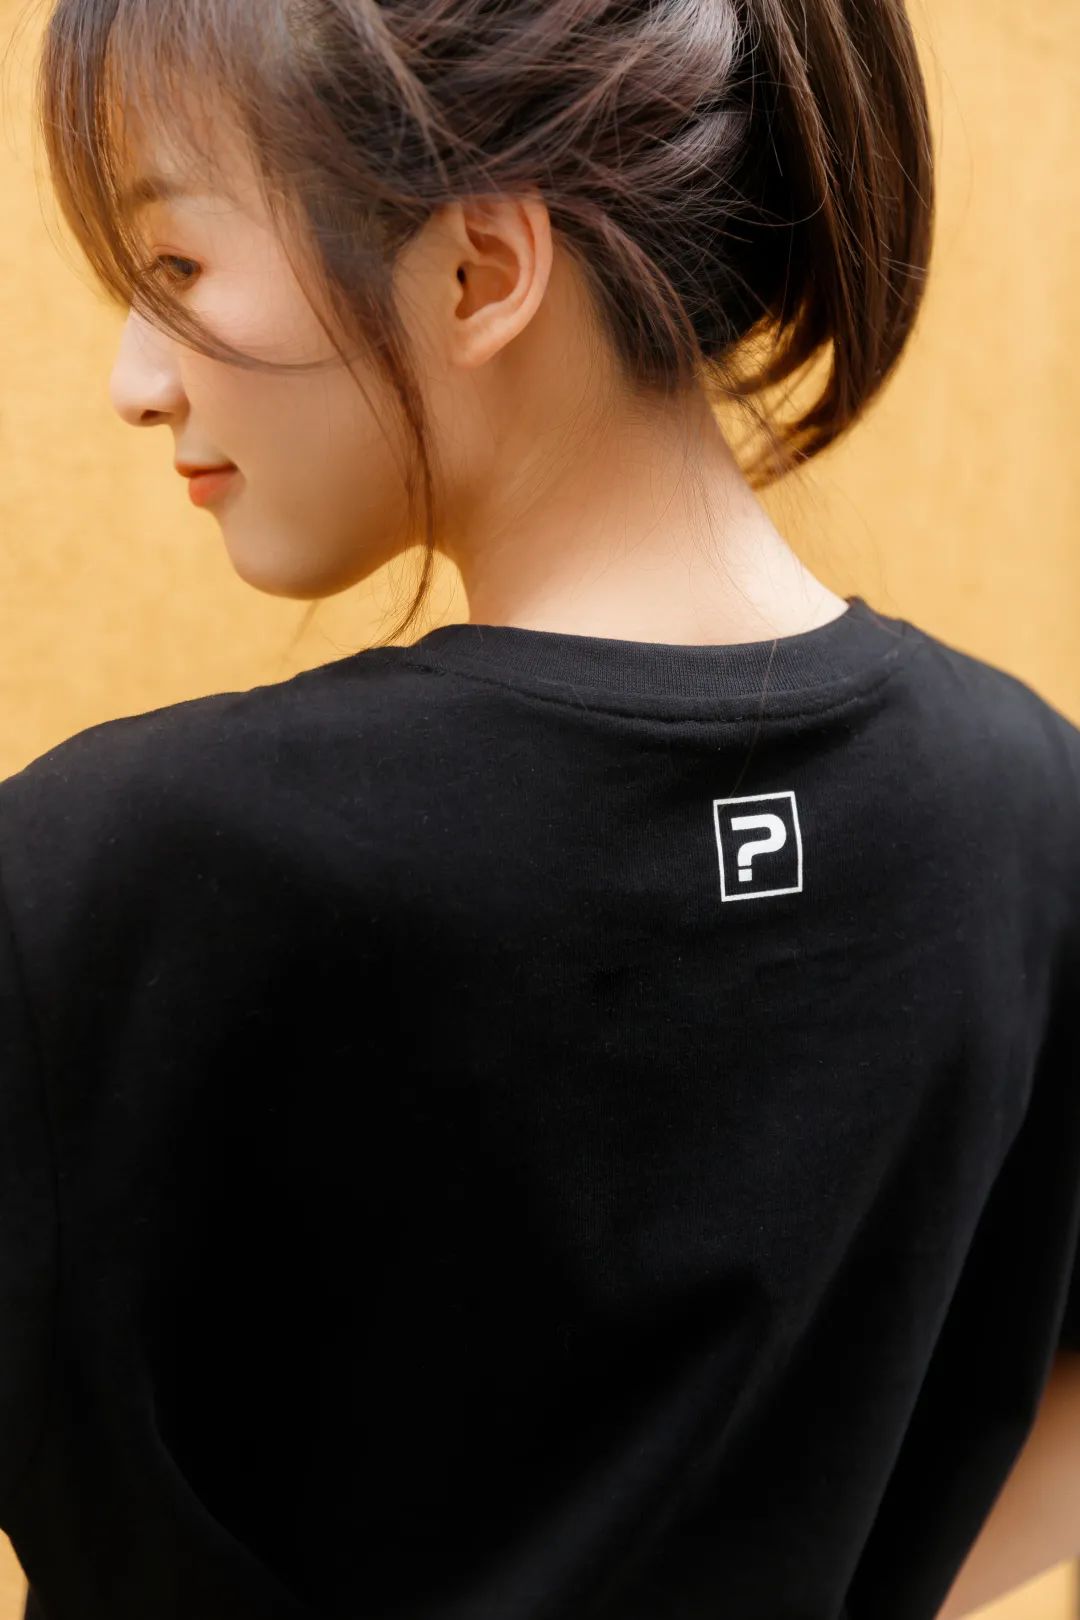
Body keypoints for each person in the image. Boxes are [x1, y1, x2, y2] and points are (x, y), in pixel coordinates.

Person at [1, 1, 1078, 1617]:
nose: (133, 381)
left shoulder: (114, 875)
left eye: (177, 267)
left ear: (478, 273)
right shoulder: (1036, 810)